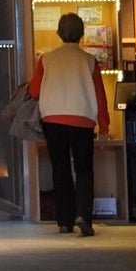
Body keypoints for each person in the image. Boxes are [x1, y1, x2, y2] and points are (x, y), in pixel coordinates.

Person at [28, 13, 110, 236]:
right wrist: (104, 125)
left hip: (53, 119)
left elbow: (34, 91)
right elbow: (100, 96)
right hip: (83, 119)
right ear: (82, 33)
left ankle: (64, 220)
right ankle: (84, 216)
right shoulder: (89, 60)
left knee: (60, 169)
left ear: (58, 33)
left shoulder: (46, 59)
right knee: (84, 169)